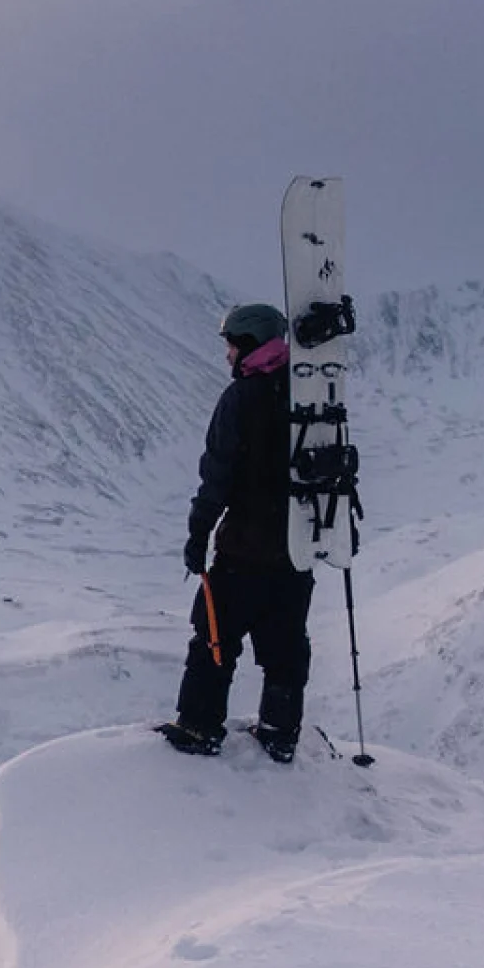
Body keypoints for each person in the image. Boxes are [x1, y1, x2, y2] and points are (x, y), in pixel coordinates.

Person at [158, 301, 313, 764]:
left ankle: (199, 727)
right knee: (285, 648)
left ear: (249, 343)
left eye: (230, 344)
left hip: (245, 550)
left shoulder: (241, 399)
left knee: (213, 638)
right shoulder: (308, 394)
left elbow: (217, 476)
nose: (227, 354)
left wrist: (197, 535)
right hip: (297, 550)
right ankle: (280, 734)